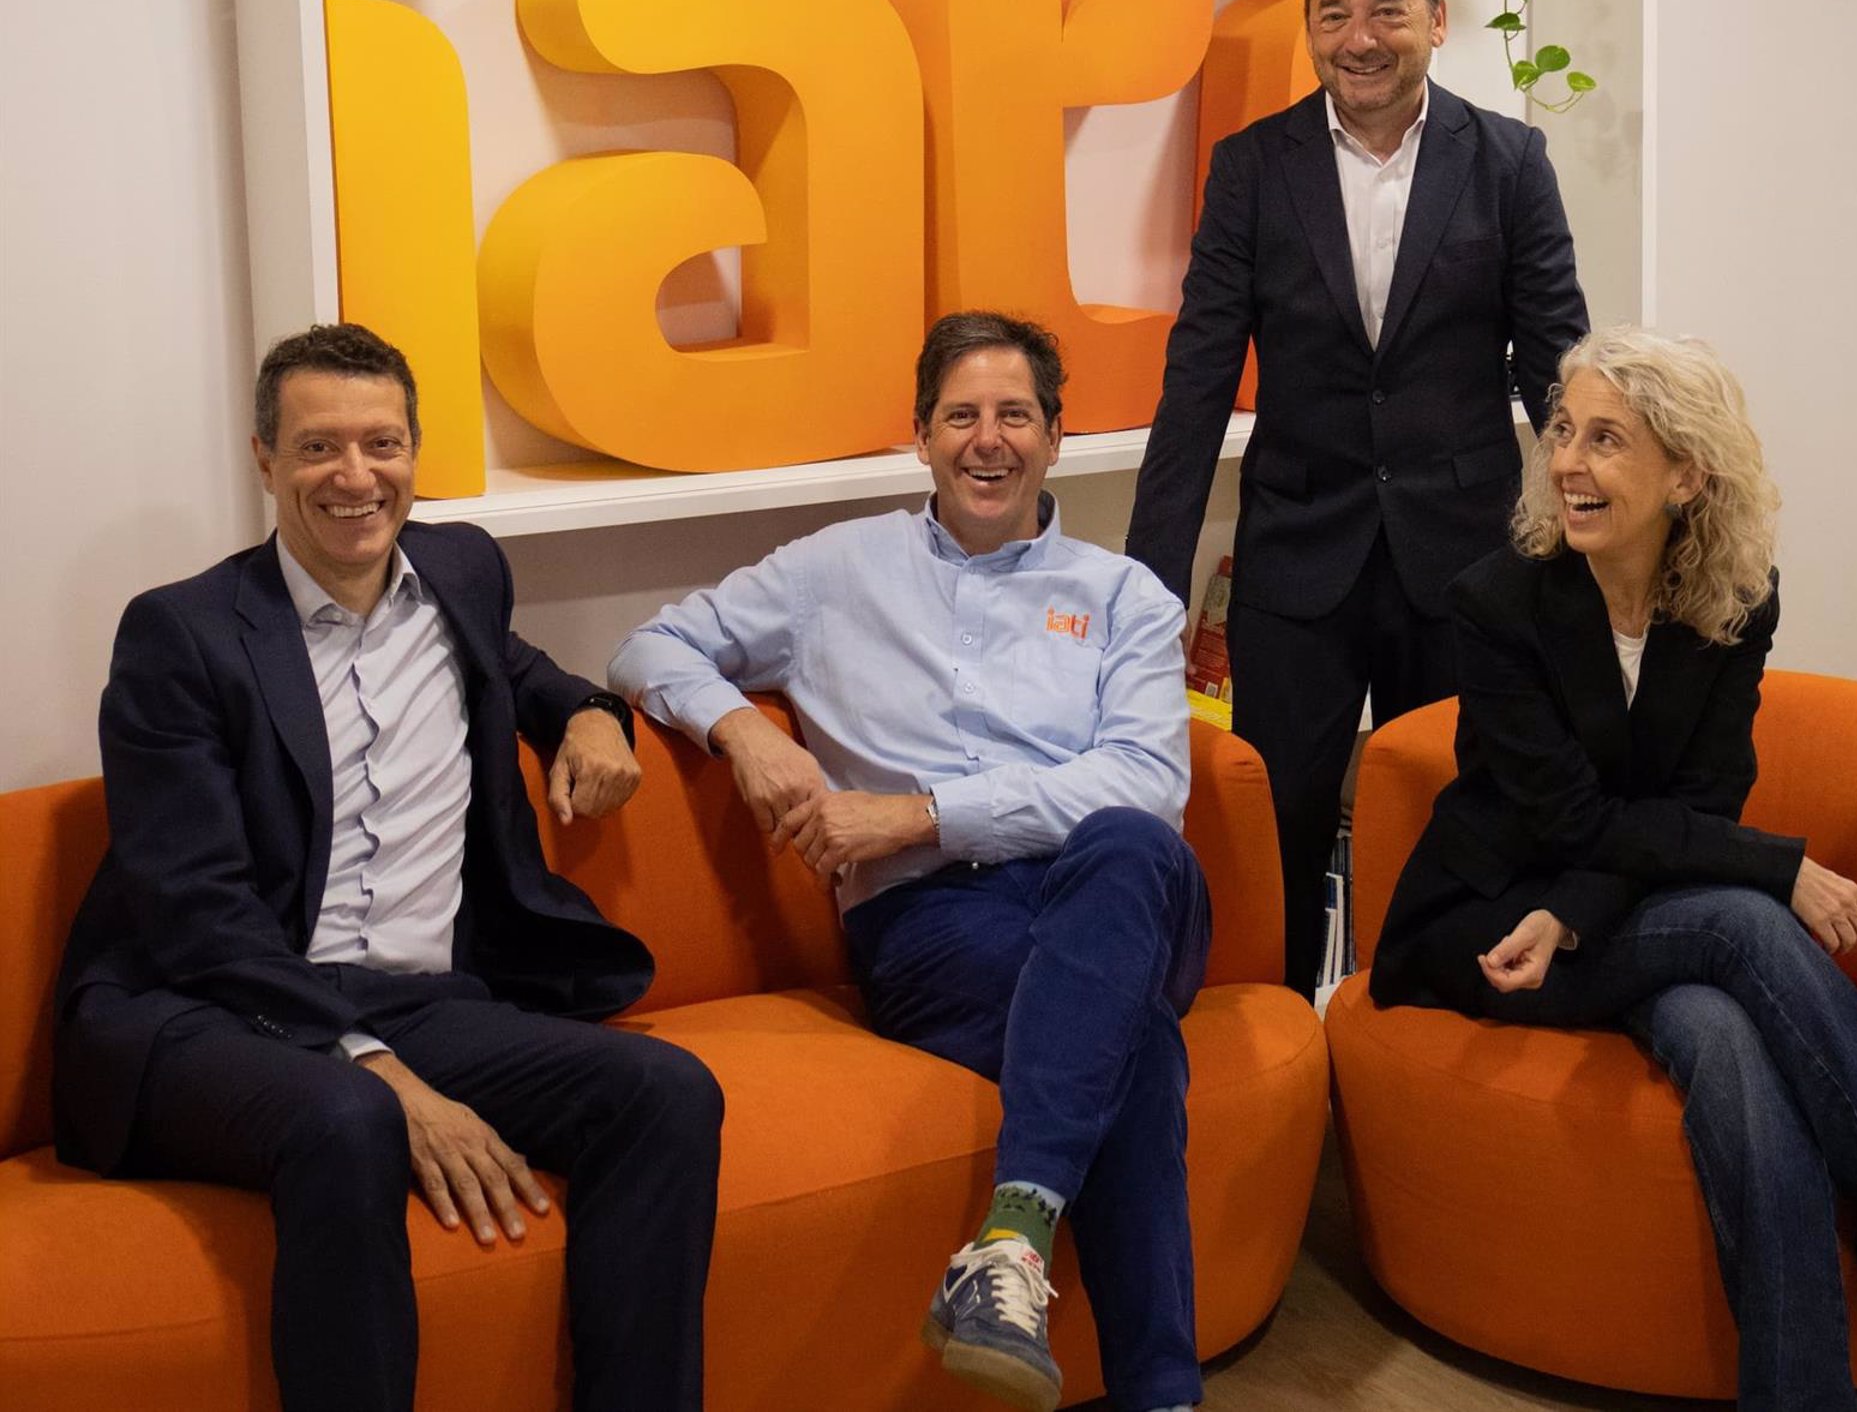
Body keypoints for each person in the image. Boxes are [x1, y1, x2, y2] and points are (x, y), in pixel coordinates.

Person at [53, 323, 723, 1412]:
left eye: (381, 443)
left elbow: (520, 670)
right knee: (349, 1118)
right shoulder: (183, 635)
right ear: (265, 460)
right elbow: (196, 914)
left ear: (416, 451)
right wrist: (377, 1068)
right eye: (318, 447)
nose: (355, 476)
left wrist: (592, 714)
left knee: (666, 1092)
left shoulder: (462, 572)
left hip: (417, 997)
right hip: (205, 1007)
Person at [613, 311, 1210, 1412]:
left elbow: (1146, 787)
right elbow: (651, 644)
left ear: (1056, 436)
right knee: (1135, 1047)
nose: (989, 440)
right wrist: (742, 731)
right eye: (962, 415)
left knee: (1125, 843)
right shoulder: (833, 571)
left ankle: (1014, 1237)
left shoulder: (1124, 595)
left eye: (1015, 415)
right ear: (922, 435)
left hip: (1119, 896)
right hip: (936, 929)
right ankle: (1143, 1379)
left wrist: (922, 814)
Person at [1369, 325, 1857, 1409]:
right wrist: (1779, 869)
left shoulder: (1736, 599)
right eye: (1563, 431)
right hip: (1496, 918)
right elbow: (1572, 818)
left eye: (1607, 439)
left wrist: (1585, 913)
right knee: (1745, 917)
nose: (1567, 462)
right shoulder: (1498, 604)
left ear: (1686, 474)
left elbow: (1699, 800)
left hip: (1613, 913)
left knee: (1725, 1038)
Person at [1126, 0, 1590, 995]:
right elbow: (1197, 386)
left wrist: (1605, 549)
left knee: (1460, 820)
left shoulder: (1510, 162)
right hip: (1299, 563)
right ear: (1309, 27)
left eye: (1386, 9)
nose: (1360, 38)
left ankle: (1428, 1038)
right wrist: (1144, 591)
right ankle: (1285, 1038)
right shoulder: (1253, 168)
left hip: (1466, 562)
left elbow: (1559, 374)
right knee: (1276, 830)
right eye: (1332, 14)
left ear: (1437, 18)